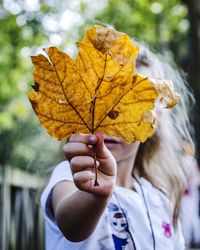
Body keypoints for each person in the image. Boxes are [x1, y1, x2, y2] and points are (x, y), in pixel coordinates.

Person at [40, 43, 194, 250]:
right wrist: (95, 195)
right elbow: (71, 224)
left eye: (133, 105)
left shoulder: (159, 199)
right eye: (100, 102)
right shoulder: (73, 178)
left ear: (157, 117)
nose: (111, 120)